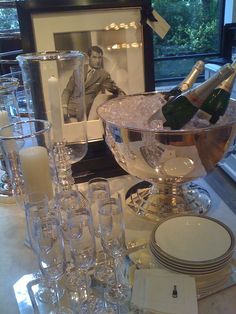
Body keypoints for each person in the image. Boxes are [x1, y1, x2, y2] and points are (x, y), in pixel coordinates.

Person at [62, 45, 125, 122]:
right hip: (70, 111)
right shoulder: (79, 69)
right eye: (94, 57)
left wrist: (121, 95)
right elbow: (67, 90)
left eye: (99, 58)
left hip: (85, 114)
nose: (98, 61)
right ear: (89, 57)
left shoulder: (103, 75)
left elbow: (114, 89)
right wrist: (64, 108)